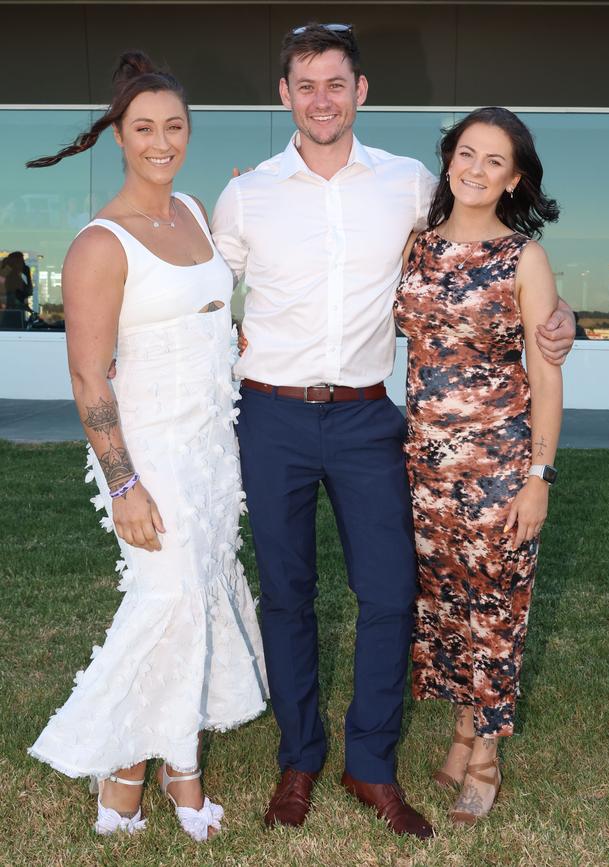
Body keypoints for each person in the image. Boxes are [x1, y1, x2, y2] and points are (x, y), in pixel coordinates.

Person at [212, 24, 575, 838]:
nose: (321, 100)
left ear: (361, 91)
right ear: (285, 96)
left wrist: (560, 320)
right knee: (288, 594)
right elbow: (208, 290)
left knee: (391, 593)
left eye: (335, 83)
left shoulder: (410, 185)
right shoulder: (248, 194)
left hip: (371, 418)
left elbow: (488, 255)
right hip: (270, 415)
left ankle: (369, 762)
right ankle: (299, 757)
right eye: (305, 85)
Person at [25, 51, 268, 841]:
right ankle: (128, 765)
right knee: (164, 601)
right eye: (143, 129)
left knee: (199, 593)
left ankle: (179, 760)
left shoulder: (195, 212)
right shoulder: (100, 244)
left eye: (174, 126)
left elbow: (210, 318)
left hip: (211, 447)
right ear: (118, 138)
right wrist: (124, 485)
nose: (161, 142)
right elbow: (90, 379)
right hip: (151, 454)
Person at [395, 106, 563, 826]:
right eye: (467, 153)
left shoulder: (523, 256)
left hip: (499, 463)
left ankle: (486, 752)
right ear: (449, 159)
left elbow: (548, 369)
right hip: (424, 465)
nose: (476, 169)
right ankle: (462, 725)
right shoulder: (414, 246)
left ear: (514, 178)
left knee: (494, 604)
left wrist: (539, 477)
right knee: (445, 602)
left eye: (495, 161)